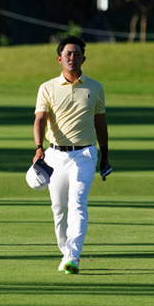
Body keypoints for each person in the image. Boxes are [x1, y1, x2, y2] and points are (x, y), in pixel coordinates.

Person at [33, 35, 111, 275]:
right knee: (59, 208)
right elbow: (39, 119)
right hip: (55, 155)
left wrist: (105, 156)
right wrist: (38, 148)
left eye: (76, 54)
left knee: (78, 204)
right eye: (67, 54)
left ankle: (73, 257)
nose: (72, 57)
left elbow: (101, 124)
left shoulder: (95, 88)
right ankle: (66, 251)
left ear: (83, 58)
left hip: (85, 155)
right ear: (59, 59)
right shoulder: (47, 87)